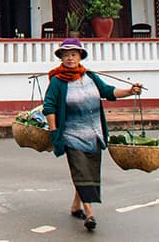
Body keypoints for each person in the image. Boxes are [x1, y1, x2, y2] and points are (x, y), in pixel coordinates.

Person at [42, 38, 143, 232]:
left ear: (80, 56)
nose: (70, 58)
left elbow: (108, 91)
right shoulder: (57, 81)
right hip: (71, 134)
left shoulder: (90, 77)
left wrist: (131, 91)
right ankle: (89, 213)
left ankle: (75, 205)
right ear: (61, 58)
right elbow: (49, 107)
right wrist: (54, 131)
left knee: (89, 171)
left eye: (73, 54)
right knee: (80, 170)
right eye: (66, 55)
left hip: (94, 133)